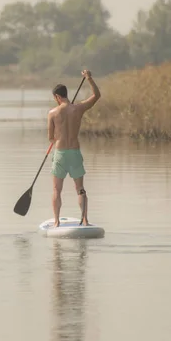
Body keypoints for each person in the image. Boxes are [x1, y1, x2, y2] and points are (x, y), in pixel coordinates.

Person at [47, 69, 101, 227]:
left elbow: (51, 137)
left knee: (57, 190)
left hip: (61, 153)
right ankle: (85, 220)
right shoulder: (78, 108)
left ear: (57, 97)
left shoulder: (52, 113)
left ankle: (56, 222)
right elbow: (97, 96)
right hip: (75, 152)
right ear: (66, 94)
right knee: (80, 189)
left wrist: (57, 135)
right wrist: (89, 79)